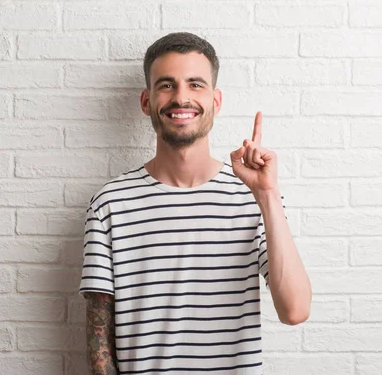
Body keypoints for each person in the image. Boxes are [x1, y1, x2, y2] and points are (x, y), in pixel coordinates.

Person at [78, 32, 312, 375]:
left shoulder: (255, 199)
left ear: (216, 101)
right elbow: (100, 347)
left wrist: (266, 196)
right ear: (146, 101)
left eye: (195, 84)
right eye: (167, 85)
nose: (181, 97)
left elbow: (295, 310)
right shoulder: (110, 204)